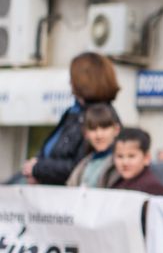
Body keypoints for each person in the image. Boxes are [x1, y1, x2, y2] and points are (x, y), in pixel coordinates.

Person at [22, 51, 120, 185]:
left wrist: (38, 169)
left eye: (73, 77)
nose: (70, 82)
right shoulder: (73, 112)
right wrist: (34, 167)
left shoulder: (101, 115)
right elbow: (50, 147)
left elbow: (80, 165)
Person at [64, 103, 121, 187]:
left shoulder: (121, 163)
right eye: (93, 129)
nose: (99, 135)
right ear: (86, 133)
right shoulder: (83, 165)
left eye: (104, 128)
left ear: (116, 130)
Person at [104, 128, 163, 196]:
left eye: (131, 156)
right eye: (120, 156)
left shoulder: (153, 188)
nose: (125, 162)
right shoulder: (116, 183)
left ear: (146, 158)